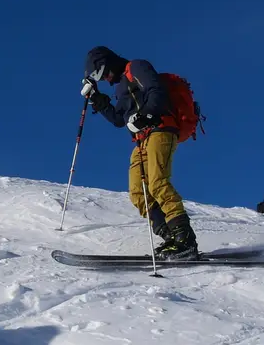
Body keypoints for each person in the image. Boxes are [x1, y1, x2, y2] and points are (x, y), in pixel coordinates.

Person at [82, 46, 200, 259]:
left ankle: (185, 239)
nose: (105, 79)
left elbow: (156, 91)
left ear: (108, 63)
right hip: (141, 139)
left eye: (101, 73)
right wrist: (96, 98)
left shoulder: (136, 67)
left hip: (160, 129)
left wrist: (145, 115)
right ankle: (170, 236)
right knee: (138, 193)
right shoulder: (121, 87)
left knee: (157, 183)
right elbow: (118, 119)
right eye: (98, 78)